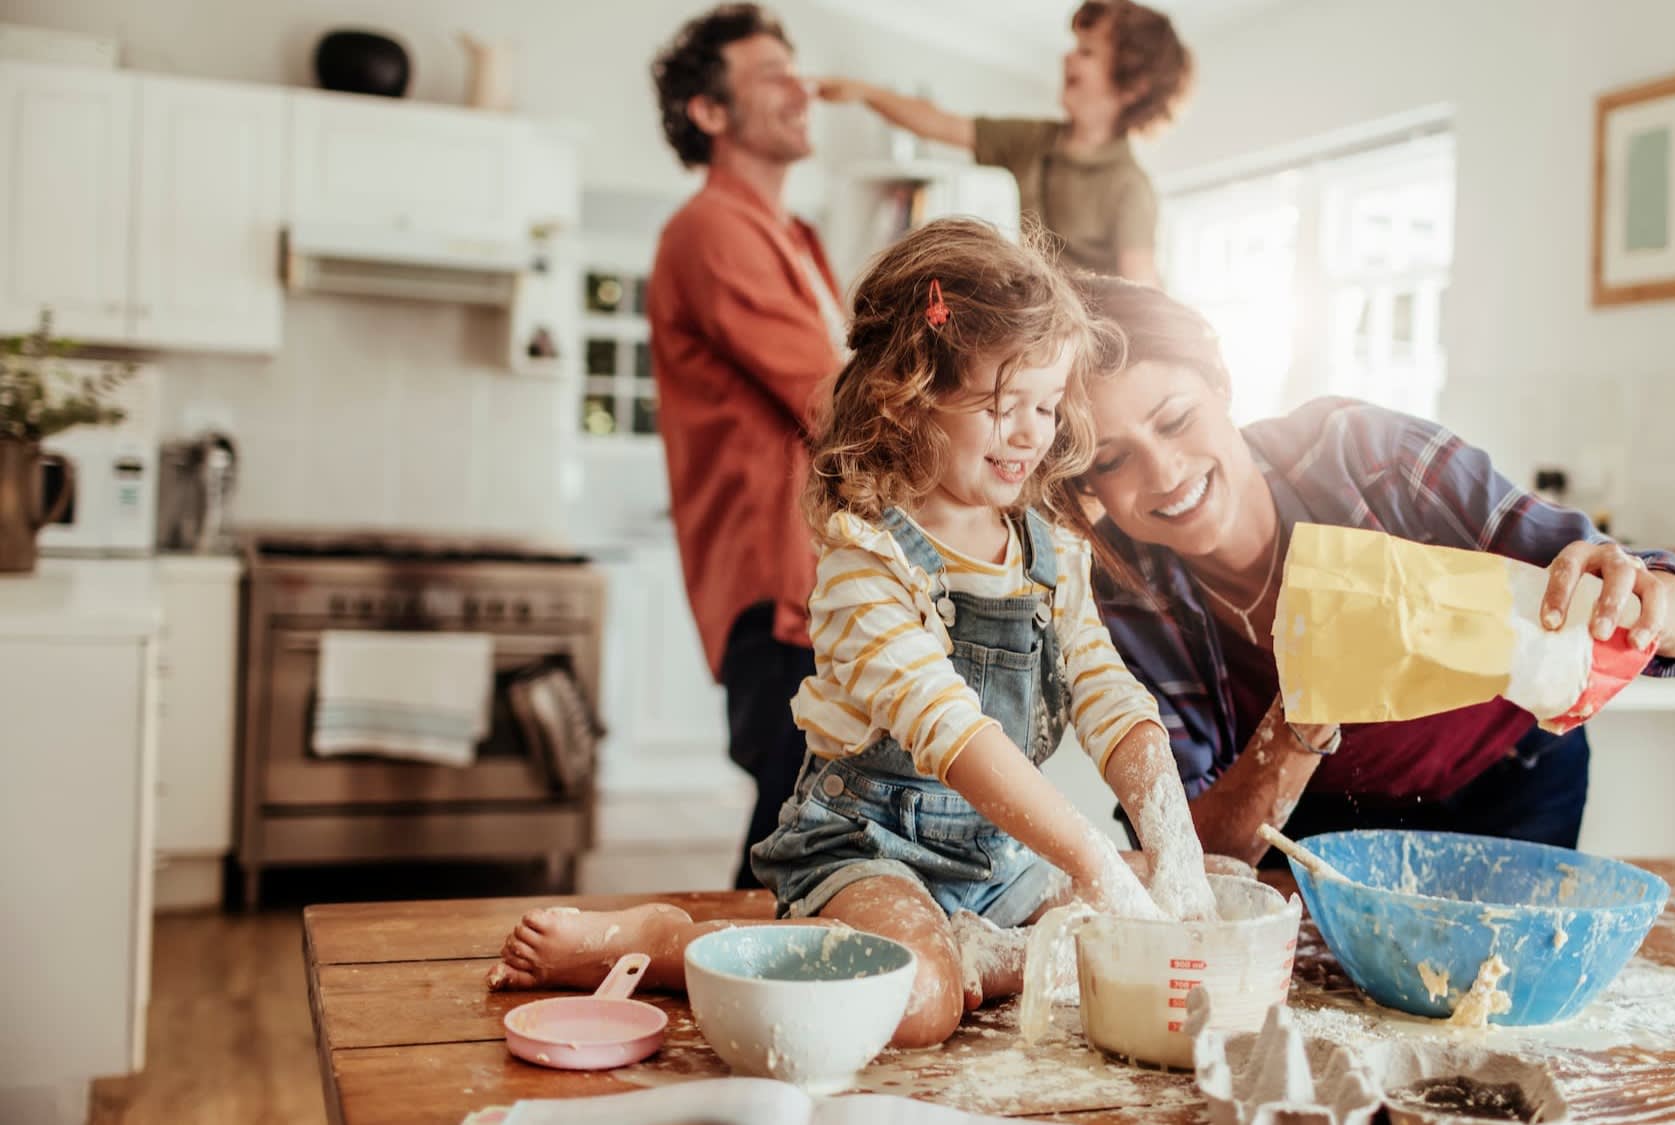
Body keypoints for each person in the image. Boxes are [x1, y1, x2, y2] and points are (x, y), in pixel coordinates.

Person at [488, 220, 1214, 1049]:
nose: (1029, 432)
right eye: (999, 405)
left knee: (1206, 886)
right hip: (870, 852)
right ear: (907, 396)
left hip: (995, 865)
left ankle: (986, 952)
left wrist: (1171, 836)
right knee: (918, 1003)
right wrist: (1092, 859)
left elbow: (1107, 693)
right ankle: (669, 941)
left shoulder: (1054, 559)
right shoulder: (865, 566)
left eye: (1046, 405)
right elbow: (951, 731)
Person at [1050, 275, 1675, 863]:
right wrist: (1302, 717)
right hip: (1313, 833)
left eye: (1176, 420)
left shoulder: (1372, 461)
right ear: (1087, 483)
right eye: (1112, 461)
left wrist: (1649, 602)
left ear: (1222, 384)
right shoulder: (1121, 600)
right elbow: (1189, 852)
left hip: (1509, 789)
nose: (1164, 473)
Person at [645, 4, 848, 888]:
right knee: (792, 842)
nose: (798, 86)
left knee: (804, 831)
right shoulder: (711, 230)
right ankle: (716, 1007)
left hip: (813, 579)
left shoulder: (794, 238)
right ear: (711, 113)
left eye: (796, 68)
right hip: (779, 591)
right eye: (771, 75)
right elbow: (832, 398)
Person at [814, 0, 1192, 283]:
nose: (1068, 58)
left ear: (1132, 87)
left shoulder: (1129, 186)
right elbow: (940, 124)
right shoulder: (1032, 140)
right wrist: (865, 93)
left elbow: (1142, 292)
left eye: (1086, 52)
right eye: (1074, 46)